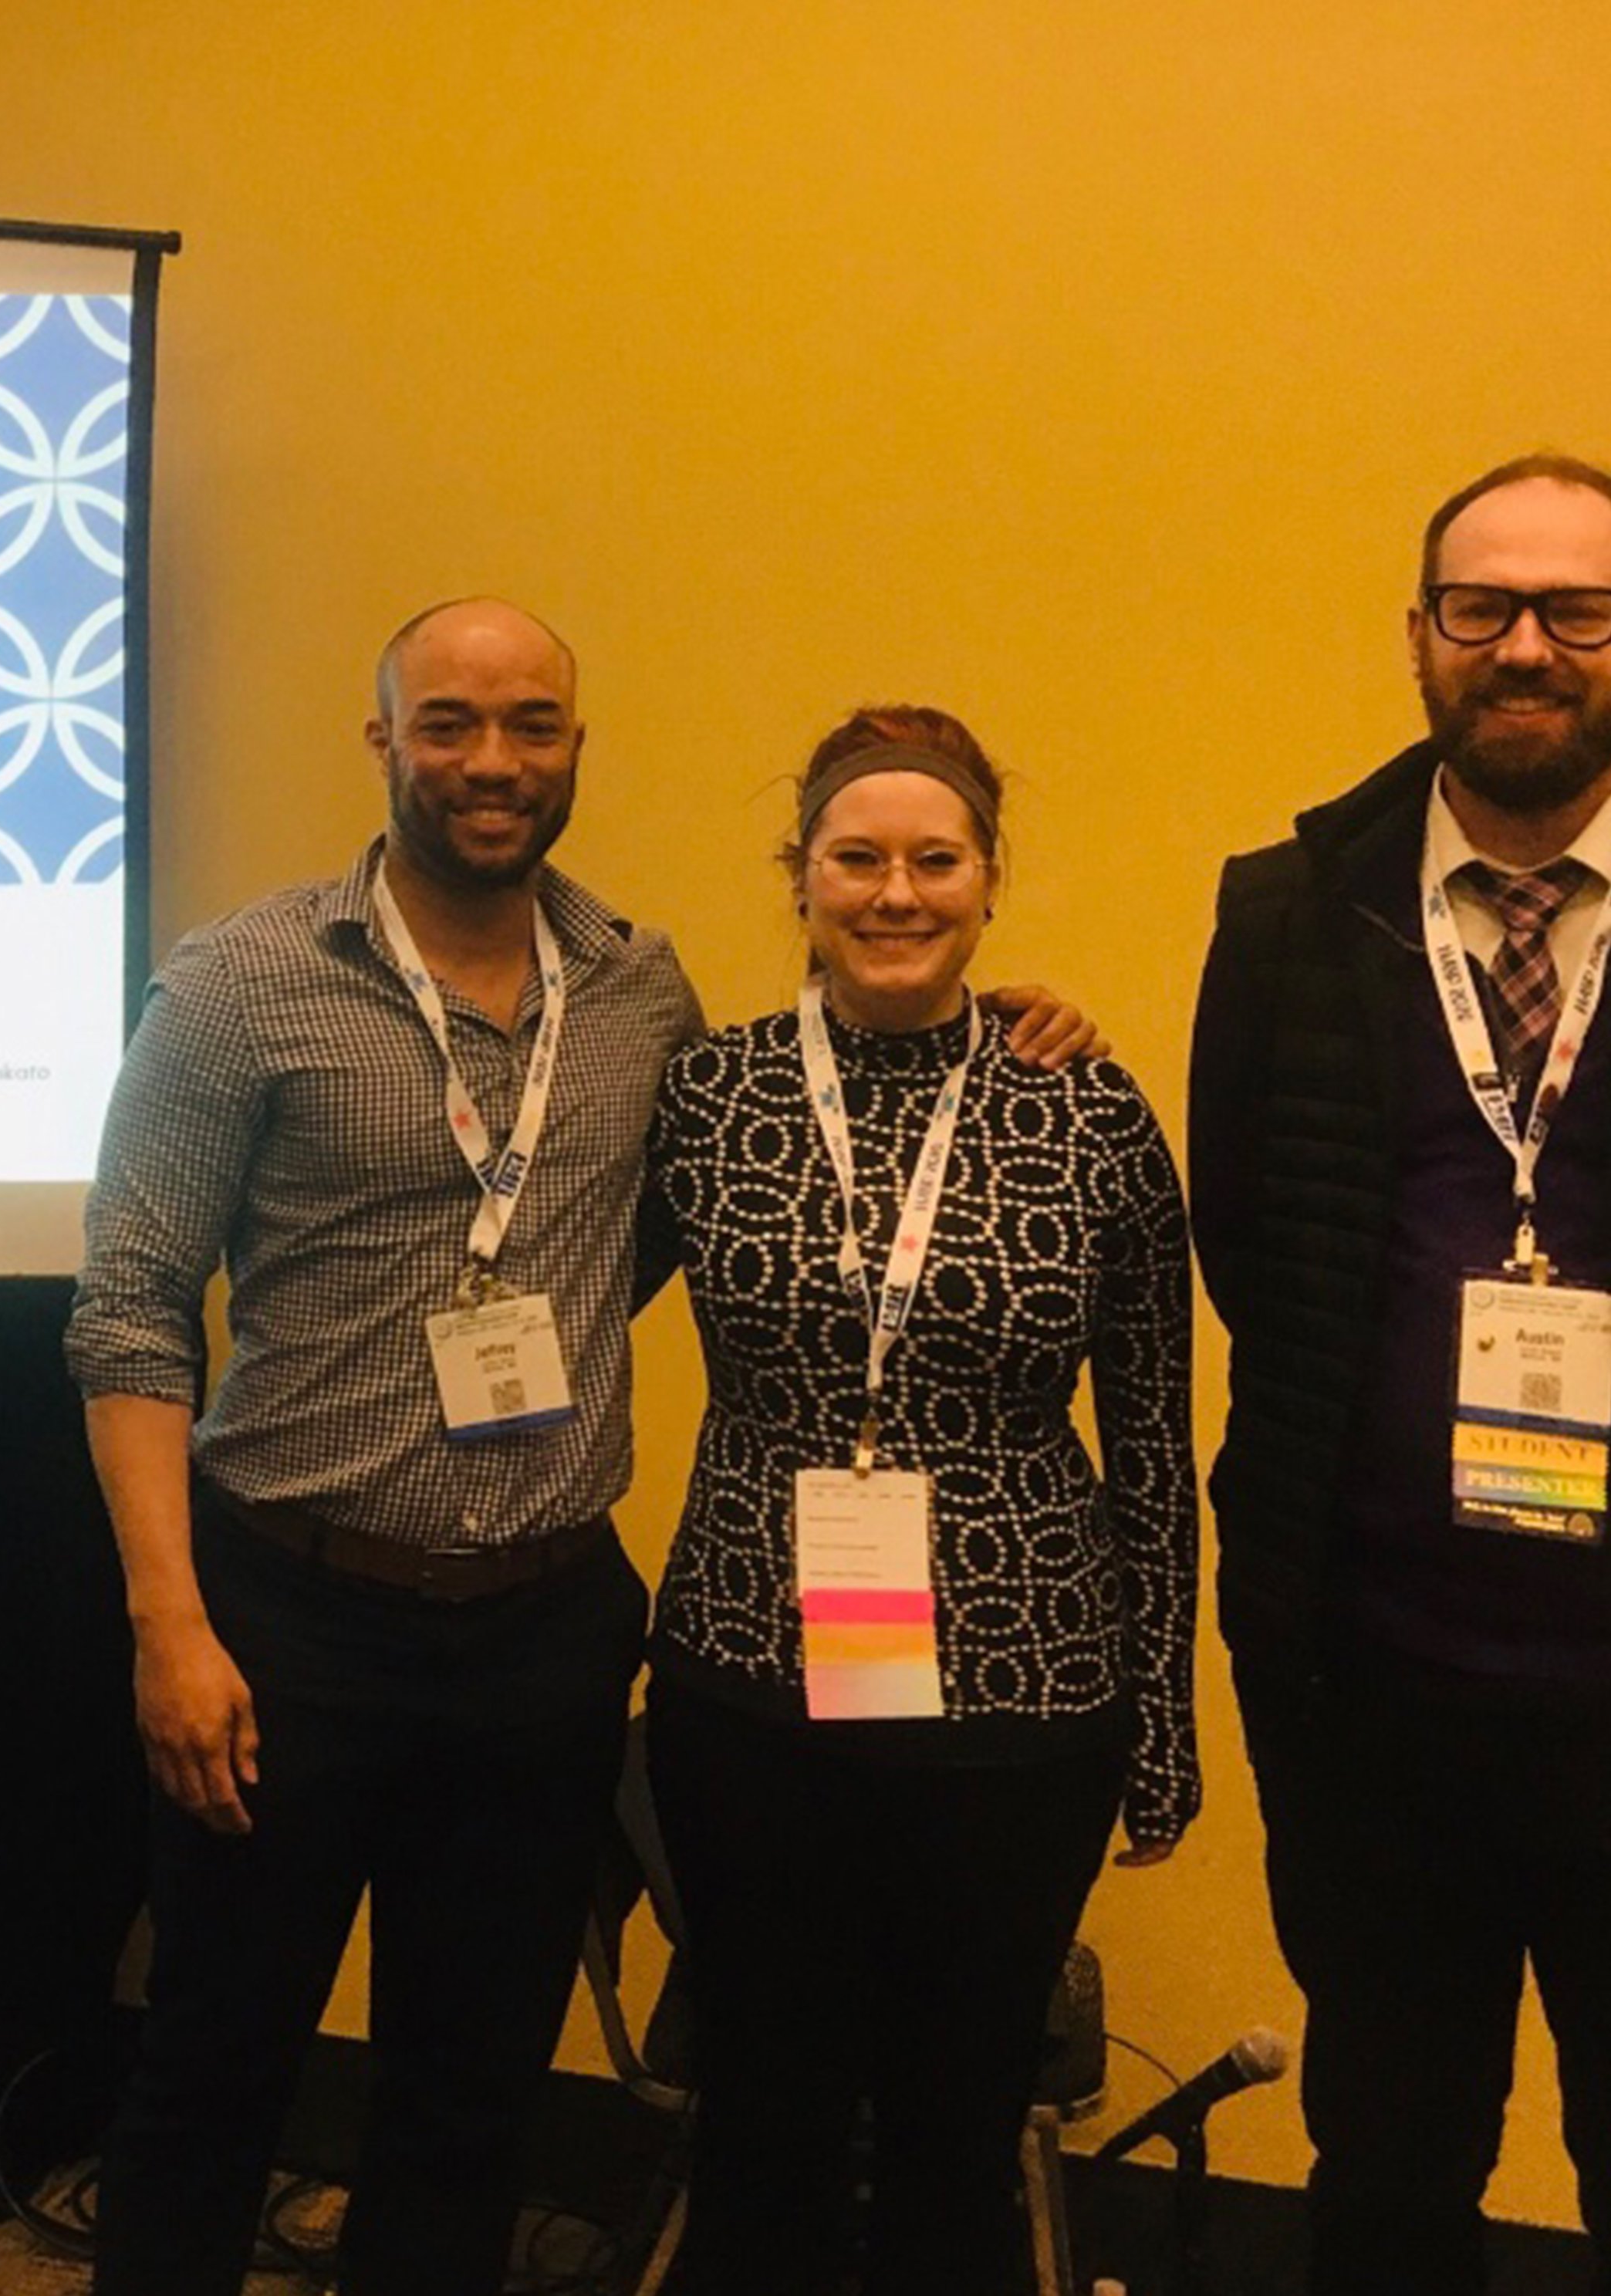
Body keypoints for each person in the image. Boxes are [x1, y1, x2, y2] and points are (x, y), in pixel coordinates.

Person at [65, 603, 1094, 2296]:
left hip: (542, 1632)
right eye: (450, 724)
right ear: (383, 740)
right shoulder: (243, 983)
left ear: (572, 751)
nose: (492, 762)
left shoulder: (636, 986)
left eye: (530, 726)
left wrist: (1004, 1026)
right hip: (285, 1620)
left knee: (473, 2097)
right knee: (213, 2071)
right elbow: (128, 1311)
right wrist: (167, 1623)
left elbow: (778, 1158)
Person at [1190, 454, 1611, 2294]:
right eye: (1481, 608)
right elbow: (1242, 1237)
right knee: (1390, 2169)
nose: (1525, 649)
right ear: (1419, 635)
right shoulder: (1287, 910)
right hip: (1376, 1689)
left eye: (1575, 610)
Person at [637, 707, 1197, 2296]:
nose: (896, 893)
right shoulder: (709, 1098)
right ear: (798, 877)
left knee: (959, 2126)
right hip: (748, 1685)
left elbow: (1153, 1443)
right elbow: (555, 1299)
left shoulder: (1088, 1111)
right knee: (763, 2116)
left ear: (989, 881)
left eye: (933, 859)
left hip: (1023, 1701)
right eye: (856, 857)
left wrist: (1162, 1727)